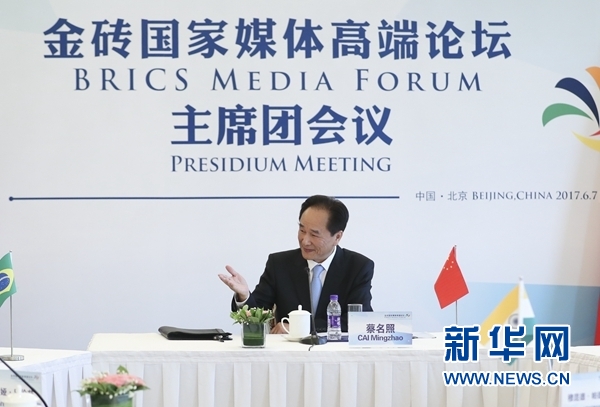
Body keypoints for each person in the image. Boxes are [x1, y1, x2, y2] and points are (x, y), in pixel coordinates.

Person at [218, 195, 374, 334]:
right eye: (302, 230)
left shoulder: (358, 267)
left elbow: (358, 320)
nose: (305, 241)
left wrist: (300, 327)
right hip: (288, 353)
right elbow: (257, 314)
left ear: (337, 237)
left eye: (314, 234)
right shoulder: (279, 264)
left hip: (336, 352)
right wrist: (244, 295)